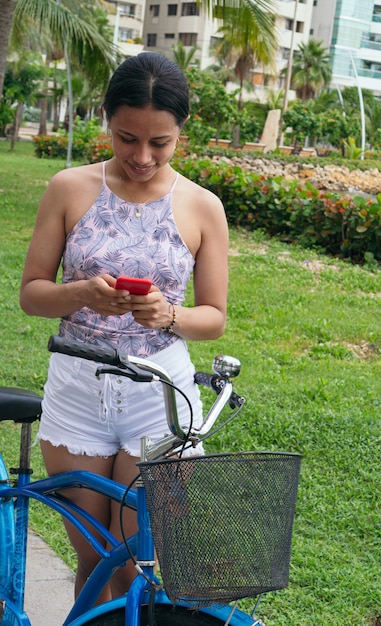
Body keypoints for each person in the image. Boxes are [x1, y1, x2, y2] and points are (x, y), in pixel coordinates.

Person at [20, 52, 228, 603]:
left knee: (138, 562)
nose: (141, 156)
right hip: (77, 389)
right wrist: (80, 293)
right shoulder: (69, 188)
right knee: (92, 558)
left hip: (159, 397)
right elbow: (32, 295)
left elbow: (214, 318)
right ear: (106, 120)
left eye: (159, 143)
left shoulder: (204, 208)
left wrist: (171, 315)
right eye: (126, 137)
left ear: (182, 130)